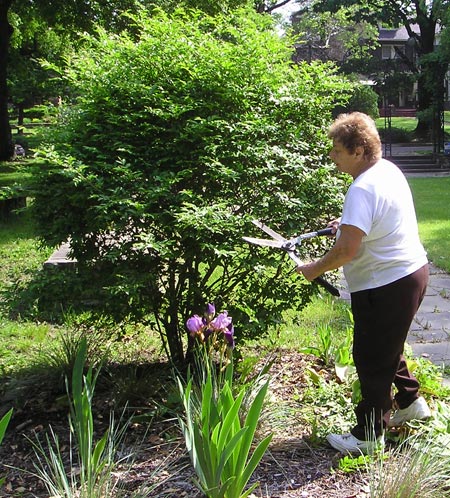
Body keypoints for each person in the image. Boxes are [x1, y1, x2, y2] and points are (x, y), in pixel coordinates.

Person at [297, 112, 431, 454]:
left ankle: (368, 435)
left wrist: (314, 268)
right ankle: (410, 402)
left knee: (371, 357)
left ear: (358, 150)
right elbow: (373, 222)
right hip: (412, 274)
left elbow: (346, 250)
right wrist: (347, 224)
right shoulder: (387, 171)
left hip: (385, 284)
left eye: (337, 149)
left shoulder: (362, 188)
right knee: (388, 344)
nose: (332, 155)